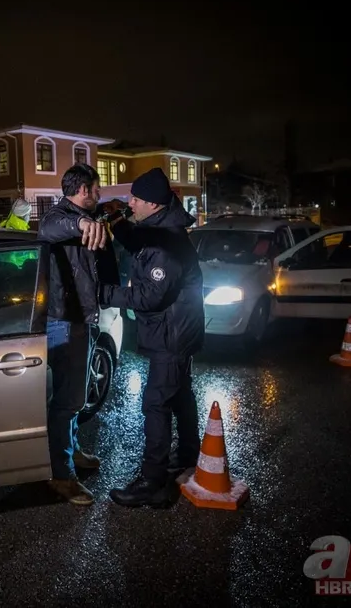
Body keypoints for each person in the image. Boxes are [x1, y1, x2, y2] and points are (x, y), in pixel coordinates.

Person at [98, 168, 205, 508]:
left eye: (136, 199)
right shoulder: (161, 230)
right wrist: (116, 222)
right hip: (179, 330)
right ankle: (189, 454)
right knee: (180, 392)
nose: (130, 202)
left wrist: (103, 293)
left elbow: (149, 297)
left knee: (156, 403)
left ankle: (153, 481)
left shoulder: (167, 246)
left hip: (171, 335)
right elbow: (140, 243)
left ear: (154, 204)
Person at [37, 163, 119, 505]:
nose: (100, 194)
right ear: (83, 190)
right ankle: (61, 474)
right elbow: (49, 227)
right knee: (68, 399)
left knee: (74, 395)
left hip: (82, 317)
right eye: (97, 188)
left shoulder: (93, 215)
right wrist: (82, 222)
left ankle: (69, 451)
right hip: (64, 319)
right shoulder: (60, 216)